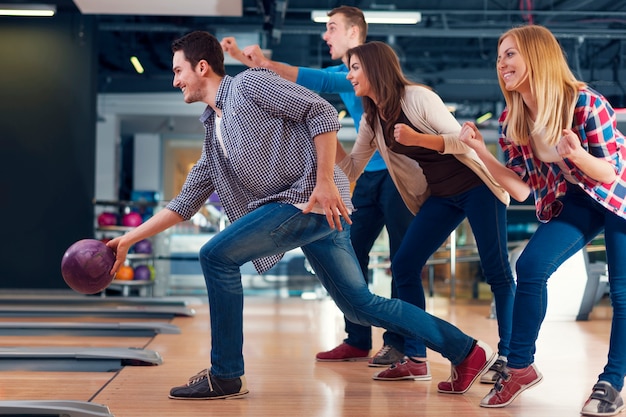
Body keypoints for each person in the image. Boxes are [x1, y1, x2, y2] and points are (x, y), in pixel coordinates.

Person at [105, 30, 496, 400]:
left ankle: (225, 374)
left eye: (178, 71)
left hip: (307, 200)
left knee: (216, 256)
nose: (176, 81)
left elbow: (321, 112)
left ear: (202, 67)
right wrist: (128, 239)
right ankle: (465, 351)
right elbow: (185, 201)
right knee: (359, 305)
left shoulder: (248, 84)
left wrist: (325, 181)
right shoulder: (213, 127)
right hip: (311, 210)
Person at [221, 5, 413, 367]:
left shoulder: (365, 69)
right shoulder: (345, 72)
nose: (326, 36)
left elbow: (318, 82)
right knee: (352, 253)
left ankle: (399, 343)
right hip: (366, 177)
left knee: (402, 261)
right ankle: (357, 339)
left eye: (332, 28)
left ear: (354, 33)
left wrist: (261, 61)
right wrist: (240, 58)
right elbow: (294, 82)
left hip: (398, 176)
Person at [459, 24, 626, 415]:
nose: (502, 63)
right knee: (531, 266)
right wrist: (480, 154)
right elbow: (520, 189)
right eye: (499, 57)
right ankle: (519, 367)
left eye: (511, 54)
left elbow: (609, 173)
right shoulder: (513, 120)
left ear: (537, 56)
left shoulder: (584, 103)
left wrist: (576, 155)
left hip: (618, 197)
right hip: (578, 200)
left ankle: (611, 382)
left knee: (621, 291)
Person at [336, 41, 516, 384]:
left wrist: (417, 139)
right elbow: (354, 165)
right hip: (442, 196)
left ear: (375, 68)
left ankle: (509, 357)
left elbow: (462, 141)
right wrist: (325, 149)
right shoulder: (373, 118)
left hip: (477, 188)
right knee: (404, 264)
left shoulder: (417, 98)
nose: (350, 75)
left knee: (496, 272)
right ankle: (416, 355)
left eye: (356, 67)